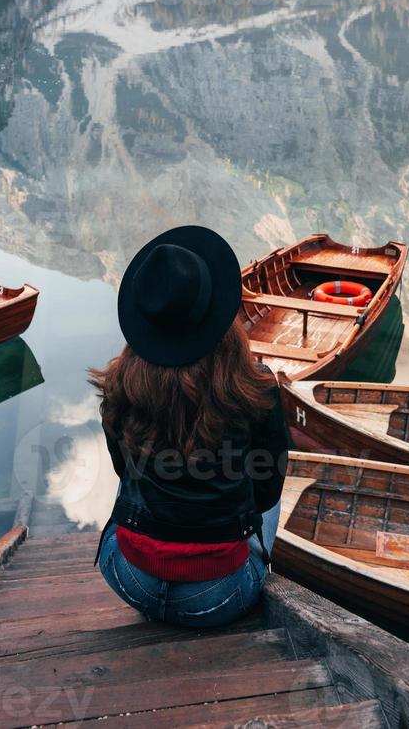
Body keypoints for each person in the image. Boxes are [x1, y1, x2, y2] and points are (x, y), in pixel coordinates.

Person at [91, 225, 289, 628]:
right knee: (268, 493)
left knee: (133, 470)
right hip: (220, 596)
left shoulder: (120, 387)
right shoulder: (258, 390)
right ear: (219, 316)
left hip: (128, 579)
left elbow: (120, 469)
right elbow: (266, 493)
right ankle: (250, 570)